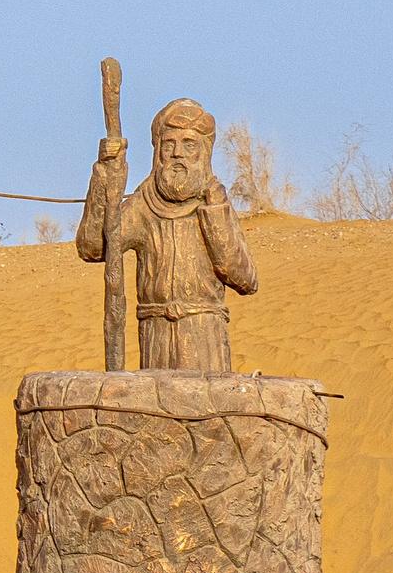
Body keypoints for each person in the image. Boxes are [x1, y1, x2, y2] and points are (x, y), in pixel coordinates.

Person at [76, 97, 257, 370]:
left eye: (189, 145)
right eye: (169, 144)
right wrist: (104, 176)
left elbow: (245, 279)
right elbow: (93, 247)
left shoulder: (214, 202)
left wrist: (215, 213)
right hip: (154, 335)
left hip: (205, 334)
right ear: (157, 150)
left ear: (204, 152)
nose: (177, 154)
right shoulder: (143, 204)